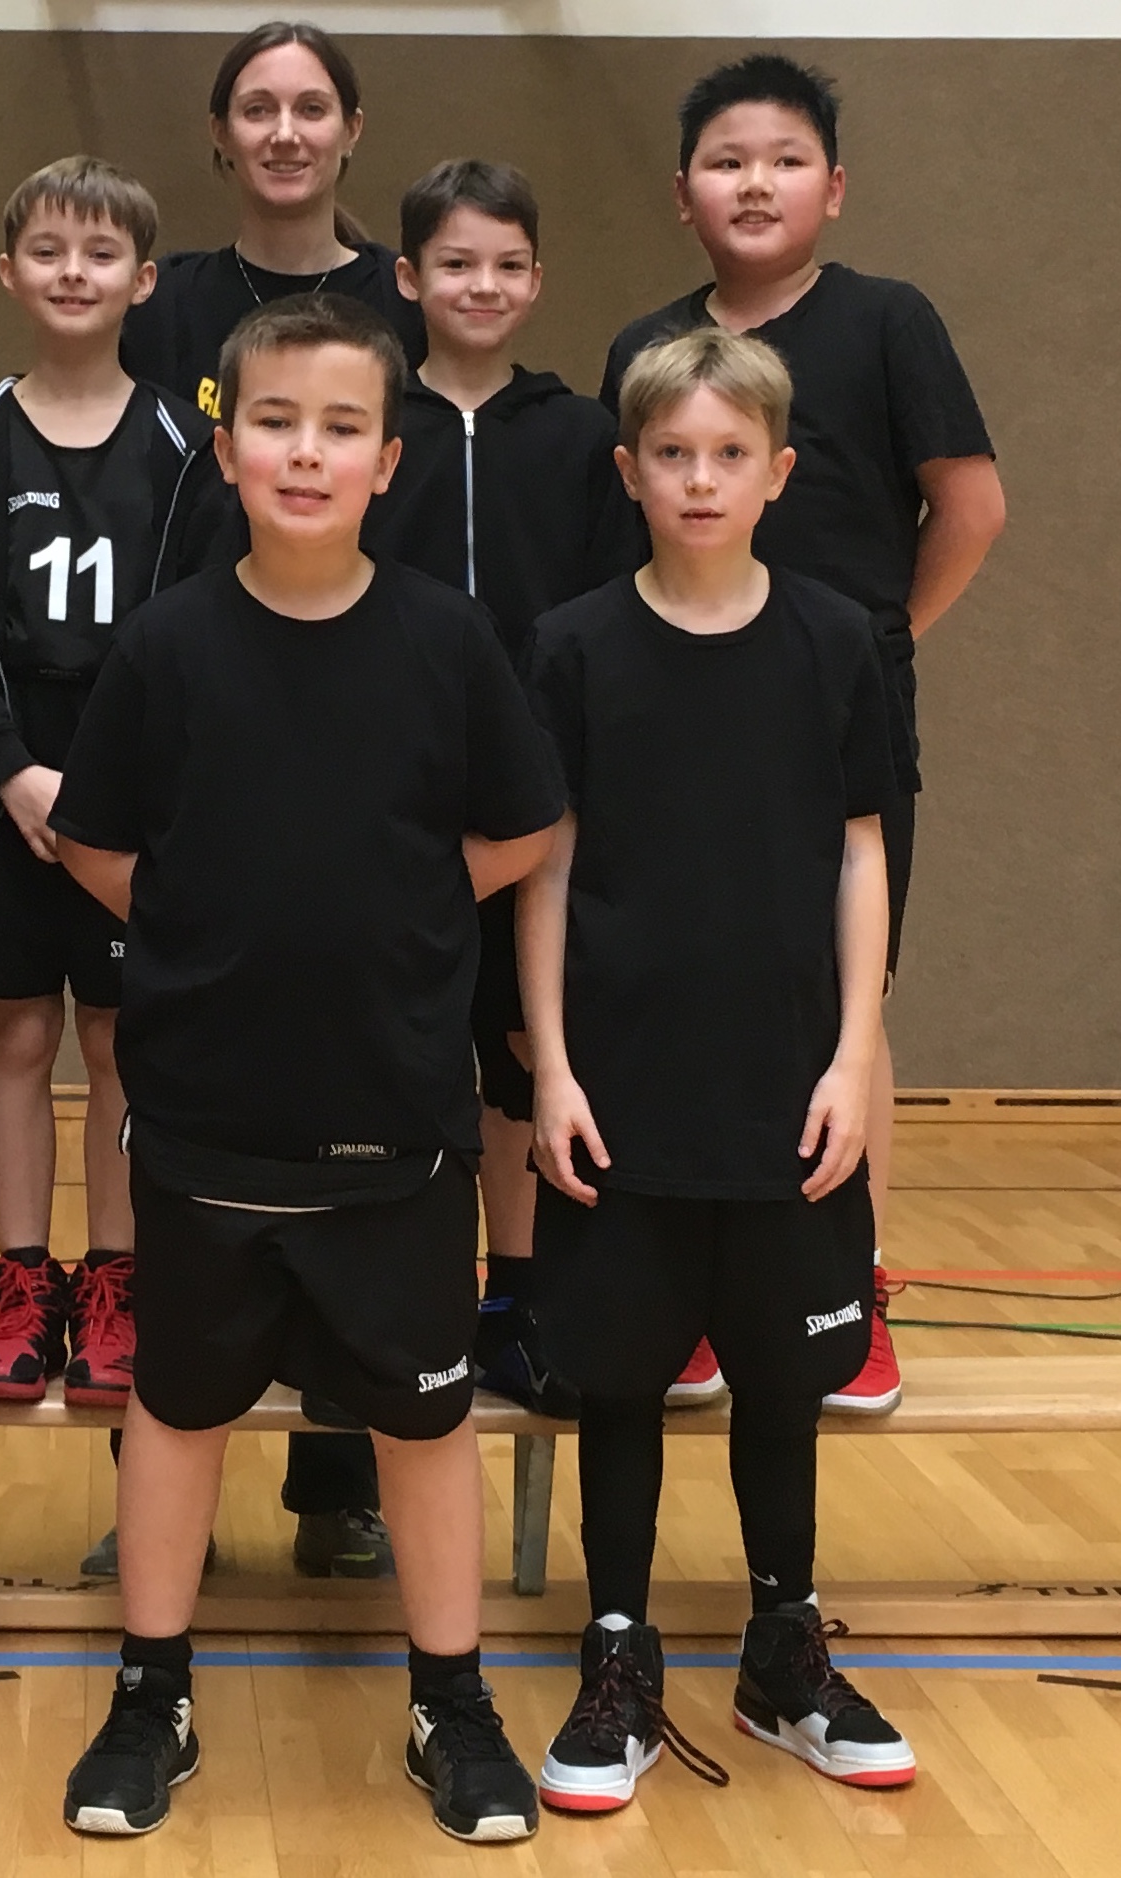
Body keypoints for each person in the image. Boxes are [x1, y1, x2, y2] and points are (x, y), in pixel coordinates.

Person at [49, 295, 560, 1844]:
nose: (305, 451)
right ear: (225, 448)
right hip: (206, 1125)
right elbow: (90, 835)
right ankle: (150, 1693)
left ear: (387, 460)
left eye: (342, 427)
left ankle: (452, 1700)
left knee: (421, 1423)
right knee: (179, 1411)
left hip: (392, 1122)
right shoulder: (167, 644)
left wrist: (404, 907)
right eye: (274, 422)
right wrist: (204, 921)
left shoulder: (446, 640)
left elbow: (526, 821)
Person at [520, 325, 915, 1814]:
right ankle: (618, 1654)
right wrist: (551, 1066)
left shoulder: (835, 639)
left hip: (784, 1085)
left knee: (781, 1381)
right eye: (673, 454)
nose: (700, 478)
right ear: (629, 471)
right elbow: (546, 866)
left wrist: (854, 1053)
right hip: (621, 1088)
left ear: (778, 472)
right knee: (620, 1379)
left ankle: (781, 1648)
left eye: (728, 454)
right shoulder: (569, 646)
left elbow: (860, 851)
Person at [599, 55, 1008, 1416]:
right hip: (673, 727)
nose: (754, 182)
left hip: (833, 728)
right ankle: (689, 1294)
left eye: (783, 159)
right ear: (682, 194)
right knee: (680, 984)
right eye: (726, 161)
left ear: (832, 187)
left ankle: (851, 1284)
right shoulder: (649, 349)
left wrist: (872, 646)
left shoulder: (890, 322)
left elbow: (971, 509)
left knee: (845, 997)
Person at [112, 13, 417, 1577]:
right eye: (257, 106)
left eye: (311, 105)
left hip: (363, 723)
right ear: (221, 134)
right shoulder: (166, 308)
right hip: (203, 711)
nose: (285, 129)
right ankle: (153, 1490)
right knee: (196, 1132)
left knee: (355, 1131)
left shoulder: (402, 299)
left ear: (351, 129)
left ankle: (337, 1478)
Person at [0, 157, 229, 1438]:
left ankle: (115, 1278)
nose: (73, 273)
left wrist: (106, 787)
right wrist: (8, 766)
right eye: (47, 250)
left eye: (101, 254)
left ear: (142, 282)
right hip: (6, 782)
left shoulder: (184, 446)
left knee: (115, 1040)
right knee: (16, 1032)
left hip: (128, 789)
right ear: (8, 272)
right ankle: (22, 1281)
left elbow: (196, 631)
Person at [364, 157, 627, 1421]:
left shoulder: (576, 435)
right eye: (455, 263)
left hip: (537, 807)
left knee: (522, 1053)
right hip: (391, 801)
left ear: (536, 280)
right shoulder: (372, 427)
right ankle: (380, 1304)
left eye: (507, 265)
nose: (482, 285)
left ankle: (518, 1299)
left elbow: (612, 611)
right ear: (407, 277)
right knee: (390, 1056)